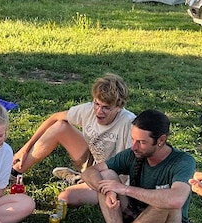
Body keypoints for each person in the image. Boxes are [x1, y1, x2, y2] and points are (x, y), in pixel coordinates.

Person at [78, 110, 196, 223]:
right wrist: (107, 190)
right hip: (134, 216)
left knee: (168, 203)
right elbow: (89, 172)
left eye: (141, 142)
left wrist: (124, 189)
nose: (134, 146)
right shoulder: (133, 154)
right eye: (133, 139)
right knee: (106, 175)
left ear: (161, 140)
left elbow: (177, 199)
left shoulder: (183, 161)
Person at [11, 73, 135, 207]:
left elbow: (133, 163)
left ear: (119, 107)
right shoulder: (88, 110)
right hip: (93, 163)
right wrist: (25, 148)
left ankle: (79, 180)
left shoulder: (129, 123)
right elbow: (54, 117)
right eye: (96, 104)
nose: (99, 111)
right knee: (60, 127)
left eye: (106, 107)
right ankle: (13, 172)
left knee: (65, 198)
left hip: (111, 178)